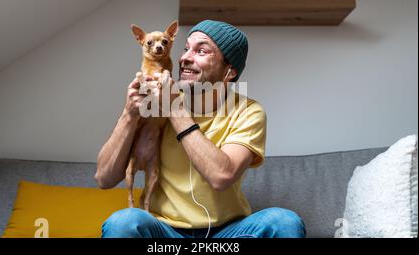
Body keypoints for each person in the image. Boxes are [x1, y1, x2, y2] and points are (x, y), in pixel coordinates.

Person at [95, 20, 306, 238]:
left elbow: (221, 176)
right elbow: (104, 178)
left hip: (227, 234)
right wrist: (129, 114)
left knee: (284, 221)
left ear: (229, 72)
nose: (185, 57)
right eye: (186, 48)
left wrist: (175, 110)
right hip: (164, 233)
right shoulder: (158, 98)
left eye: (201, 51)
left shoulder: (248, 112)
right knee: (123, 222)